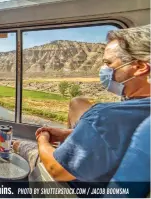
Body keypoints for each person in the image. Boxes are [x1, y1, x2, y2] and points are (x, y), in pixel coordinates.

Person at [14, 25, 150, 184]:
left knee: (17, 144)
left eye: (109, 63)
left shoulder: (105, 116)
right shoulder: (139, 112)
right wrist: (71, 134)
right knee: (78, 103)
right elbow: (121, 142)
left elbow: (56, 170)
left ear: (140, 67)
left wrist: (42, 140)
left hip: (76, 188)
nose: (104, 70)